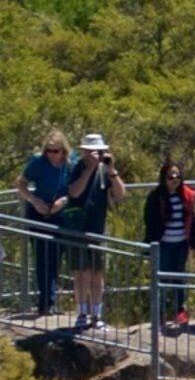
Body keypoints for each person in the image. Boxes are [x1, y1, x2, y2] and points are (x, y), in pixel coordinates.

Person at [59, 133, 121, 330]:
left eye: (100, 151)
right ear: (84, 151)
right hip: (78, 229)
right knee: (82, 273)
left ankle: (97, 314)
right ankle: (82, 313)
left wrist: (111, 170)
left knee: (97, 274)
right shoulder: (76, 167)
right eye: (92, 151)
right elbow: (74, 192)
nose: (96, 154)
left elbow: (120, 194)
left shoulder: (106, 170)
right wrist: (89, 170)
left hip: (98, 229)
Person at [143, 158, 195, 328]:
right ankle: (159, 313)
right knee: (161, 279)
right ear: (163, 178)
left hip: (181, 243)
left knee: (180, 278)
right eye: (170, 176)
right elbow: (150, 221)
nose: (174, 179)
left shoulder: (187, 195)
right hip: (163, 244)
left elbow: (194, 218)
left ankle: (179, 310)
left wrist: (194, 242)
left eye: (177, 176)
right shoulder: (155, 197)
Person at [22, 130, 69, 316]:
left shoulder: (71, 163)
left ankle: (52, 299)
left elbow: (76, 189)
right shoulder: (37, 162)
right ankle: (45, 301)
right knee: (41, 257)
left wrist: (64, 201)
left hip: (60, 213)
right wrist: (34, 201)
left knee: (56, 257)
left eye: (56, 151)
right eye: (49, 151)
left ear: (63, 150)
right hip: (38, 211)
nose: (52, 155)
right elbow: (21, 183)